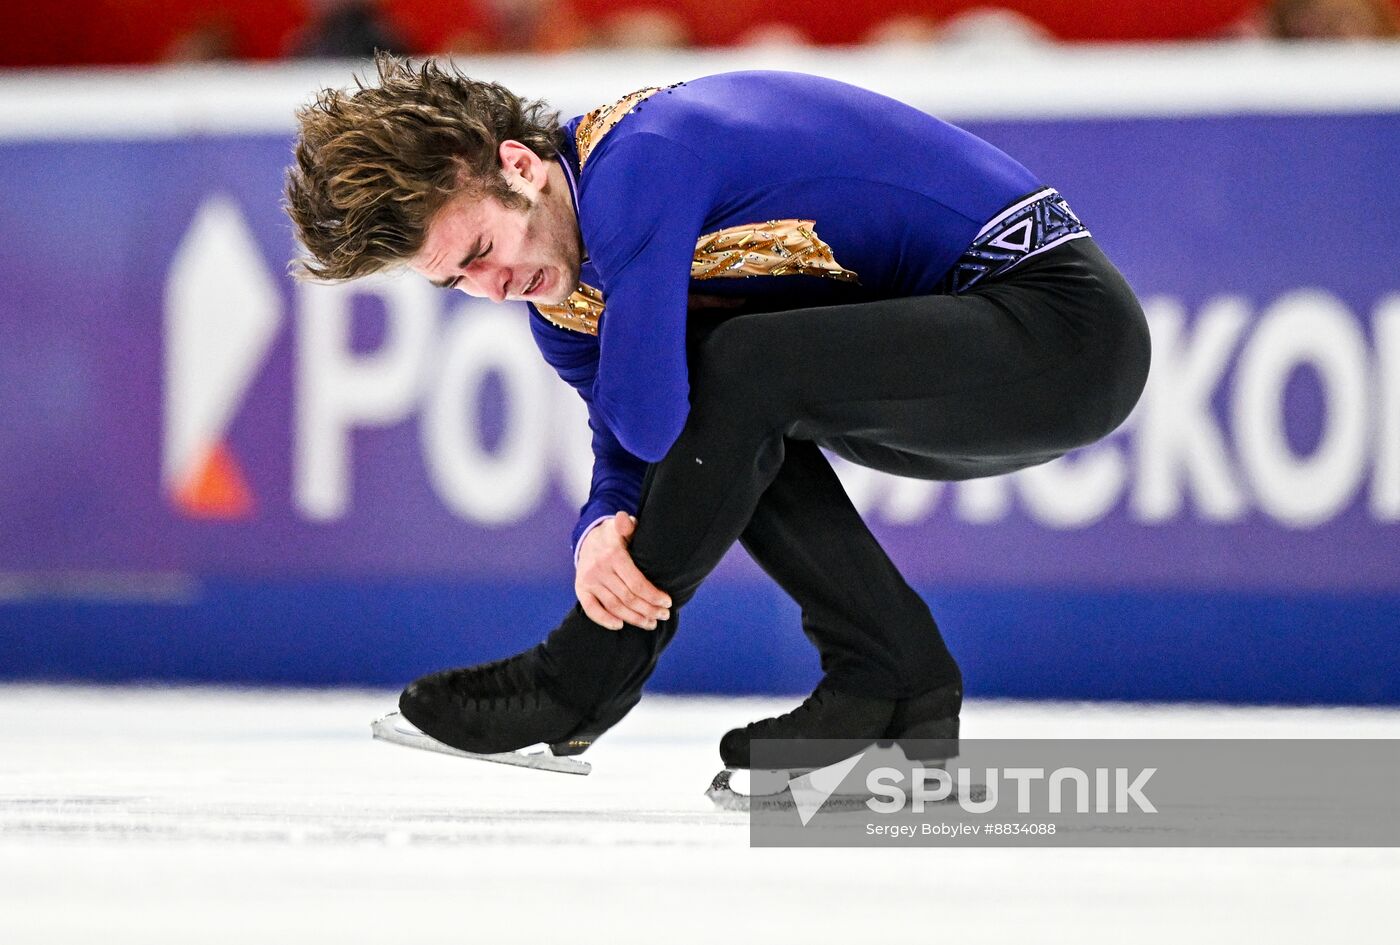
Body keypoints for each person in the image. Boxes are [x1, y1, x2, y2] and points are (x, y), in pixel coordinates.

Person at [285, 54, 1150, 772]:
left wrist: (620, 556)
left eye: (480, 251)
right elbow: (637, 437)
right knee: (738, 379)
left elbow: (657, 418)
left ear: (519, 166)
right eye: (456, 281)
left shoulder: (640, 163)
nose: (491, 287)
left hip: (1060, 329)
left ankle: (580, 678)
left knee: (739, 365)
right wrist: (599, 527)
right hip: (945, 364)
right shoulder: (568, 288)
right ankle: (893, 683)